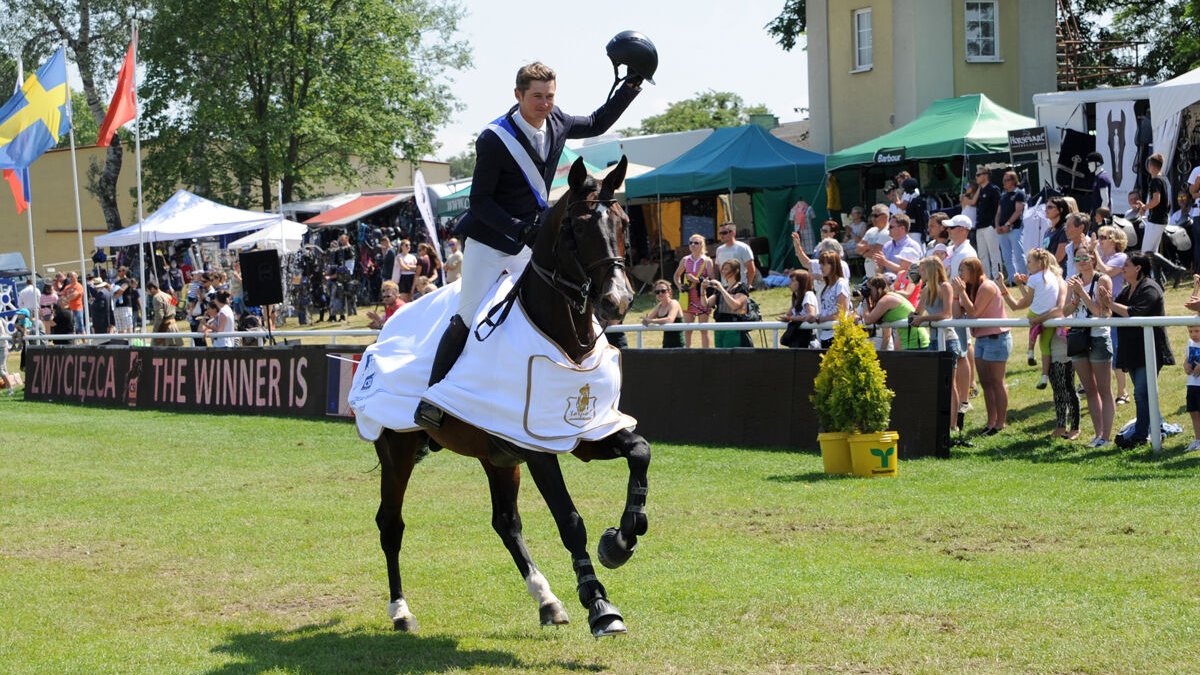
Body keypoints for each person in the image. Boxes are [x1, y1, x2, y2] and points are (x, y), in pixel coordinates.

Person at [415, 58, 646, 432]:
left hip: (532, 239)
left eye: (550, 96)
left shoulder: (557, 122)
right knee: (468, 315)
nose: (545, 104)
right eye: (537, 97)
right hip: (491, 240)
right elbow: (480, 202)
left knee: (560, 301)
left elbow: (598, 122)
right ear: (518, 95)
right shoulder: (494, 138)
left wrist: (630, 86)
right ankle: (433, 399)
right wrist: (517, 231)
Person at [1100, 252, 1175, 447]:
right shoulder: (1126, 291)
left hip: (1149, 351)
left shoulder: (1150, 288)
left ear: (1138, 268)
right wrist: (1105, 303)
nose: (1122, 269)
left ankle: (1141, 435)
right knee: (1142, 393)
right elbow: (1114, 314)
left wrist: (1111, 304)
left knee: (1142, 393)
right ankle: (1152, 428)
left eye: (1126, 265)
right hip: (1132, 351)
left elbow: (1135, 313)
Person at [910, 256, 968, 439]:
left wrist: (923, 319)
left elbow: (947, 314)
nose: (920, 273)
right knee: (937, 384)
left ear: (931, 270)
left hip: (948, 339)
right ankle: (939, 422)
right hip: (934, 340)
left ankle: (952, 425)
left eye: (922, 270)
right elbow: (917, 311)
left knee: (949, 384)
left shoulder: (945, 286)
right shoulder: (926, 289)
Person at [952, 257, 1010, 435]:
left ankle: (1000, 422)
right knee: (986, 383)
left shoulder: (987, 287)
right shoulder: (970, 289)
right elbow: (956, 315)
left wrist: (961, 293)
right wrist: (956, 294)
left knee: (996, 382)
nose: (960, 274)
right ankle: (991, 422)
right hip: (982, 339)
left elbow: (974, 313)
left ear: (973, 270)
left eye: (963, 270)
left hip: (997, 337)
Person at [1065, 244, 1115, 447]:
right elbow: (1065, 310)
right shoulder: (1074, 281)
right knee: (1090, 389)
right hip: (1078, 336)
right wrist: (1075, 297)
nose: (1082, 262)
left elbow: (1102, 313)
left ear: (1094, 259)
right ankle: (1098, 434)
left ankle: (1106, 437)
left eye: (1085, 257)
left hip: (1097, 337)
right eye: (1078, 258)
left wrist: (1082, 294)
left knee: (1104, 389)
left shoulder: (1102, 279)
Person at [1000, 248, 1064, 391]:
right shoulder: (1053, 277)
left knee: (1032, 321)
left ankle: (1030, 351)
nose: (1027, 265)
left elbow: (1027, 301)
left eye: (1029, 262)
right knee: (1045, 346)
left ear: (1039, 263)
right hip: (1050, 317)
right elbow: (1031, 298)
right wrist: (1023, 285)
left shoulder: (1034, 278)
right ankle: (1044, 376)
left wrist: (1018, 285)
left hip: (1036, 315)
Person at [1095, 224, 1131, 405]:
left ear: (1115, 240)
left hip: (1114, 309)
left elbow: (1107, 271)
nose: (1099, 240)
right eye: (1099, 237)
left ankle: (1122, 392)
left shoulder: (1120, 257)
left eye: (1103, 237)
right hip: (1098, 308)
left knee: (1116, 349)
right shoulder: (1101, 256)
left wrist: (1094, 253)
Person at [859, 275, 929, 351]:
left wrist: (865, 300)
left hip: (914, 341)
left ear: (879, 289)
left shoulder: (886, 300)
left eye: (870, 290)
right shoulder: (888, 297)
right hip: (907, 341)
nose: (868, 292)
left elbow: (868, 320)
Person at [673, 234, 715, 348]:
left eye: (696, 243)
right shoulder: (685, 260)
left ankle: (706, 354)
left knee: (704, 330)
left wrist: (697, 280)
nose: (692, 245)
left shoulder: (707, 261)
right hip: (687, 298)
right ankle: (688, 353)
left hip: (702, 298)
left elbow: (712, 280)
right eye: (690, 242)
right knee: (687, 329)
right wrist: (679, 286)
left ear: (702, 245)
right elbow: (676, 275)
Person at [704, 260, 752, 348]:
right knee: (720, 357)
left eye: (726, 269)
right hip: (719, 328)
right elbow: (706, 304)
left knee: (731, 357)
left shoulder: (741, 287)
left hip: (733, 328)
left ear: (736, 271)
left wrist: (721, 289)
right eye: (722, 269)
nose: (723, 271)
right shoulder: (722, 287)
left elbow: (735, 306)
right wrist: (702, 289)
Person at [971, 167, 1003, 279]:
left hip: (990, 226)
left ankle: (998, 278)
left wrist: (996, 224)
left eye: (978, 175)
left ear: (985, 175)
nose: (976, 177)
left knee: (994, 254)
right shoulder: (980, 190)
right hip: (980, 226)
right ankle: (987, 278)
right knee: (982, 255)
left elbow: (999, 207)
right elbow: (973, 203)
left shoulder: (993, 189)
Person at [814, 250, 851, 349]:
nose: (820, 267)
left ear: (833, 265)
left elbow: (841, 314)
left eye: (824, 264)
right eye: (820, 264)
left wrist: (821, 319)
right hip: (825, 335)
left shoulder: (841, 284)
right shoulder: (826, 286)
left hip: (837, 336)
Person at [1135, 153, 1170, 254]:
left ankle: (1148, 270)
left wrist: (1145, 207)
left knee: (1146, 252)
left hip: (1156, 220)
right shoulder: (1163, 180)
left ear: (1150, 165)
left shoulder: (1155, 181)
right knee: (1153, 253)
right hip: (1161, 220)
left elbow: (1156, 200)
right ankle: (1154, 270)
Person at [996, 171, 1028, 279]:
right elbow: (998, 212)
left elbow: (1018, 211)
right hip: (1002, 230)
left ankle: (1023, 277)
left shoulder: (1019, 193)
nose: (1004, 182)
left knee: (1019, 254)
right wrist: (997, 225)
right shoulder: (1003, 195)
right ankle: (1012, 279)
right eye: (1003, 180)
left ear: (1014, 181)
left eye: (1007, 180)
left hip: (1015, 228)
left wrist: (1007, 224)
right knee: (1006, 256)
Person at [779, 269, 817, 349]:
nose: (789, 283)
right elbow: (789, 314)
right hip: (798, 339)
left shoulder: (808, 295)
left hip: (807, 340)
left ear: (802, 283)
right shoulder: (796, 298)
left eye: (793, 281)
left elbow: (811, 315)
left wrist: (791, 318)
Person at [641, 280, 683, 348]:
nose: (660, 293)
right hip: (666, 344)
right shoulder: (659, 306)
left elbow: (670, 320)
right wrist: (646, 320)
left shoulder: (674, 303)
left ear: (669, 292)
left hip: (678, 343)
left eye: (663, 291)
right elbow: (646, 321)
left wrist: (651, 321)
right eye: (657, 292)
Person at [715, 222, 757, 287]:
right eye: (720, 233)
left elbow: (751, 269)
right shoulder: (719, 250)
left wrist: (747, 286)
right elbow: (721, 269)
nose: (721, 235)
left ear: (733, 233)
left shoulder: (743, 247)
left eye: (724, 233)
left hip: (740, 286)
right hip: (725, 287)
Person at [146, 279, 181, 347]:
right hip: (173, 326)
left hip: (164, 328)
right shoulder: (168, 295)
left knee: (157, 352)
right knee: (174, 352)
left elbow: (159, 316)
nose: (149, 293)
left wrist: (155, 331)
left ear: (152, 288)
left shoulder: (156, 297)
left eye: (148, 290)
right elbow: (176, 306)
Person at [1183, 323, 1200, 452]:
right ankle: (1198, 439)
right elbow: (1187, 359)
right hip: (1192, 384)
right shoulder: (1190, 343)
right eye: (1191, 331)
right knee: (1194, 412)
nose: (1193, 334)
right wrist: (1186, 366)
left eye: (1197, 331)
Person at [112, 266, 135, 334]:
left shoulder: (127, 280)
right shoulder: (116, 282)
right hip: (117, 306)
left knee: (128, 326)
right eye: (118, 271)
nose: (118, 272)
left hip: (125, 306)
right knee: (119, 328)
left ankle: (130, 343)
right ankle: (122, 343)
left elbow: (122, 290)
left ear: (124, 271)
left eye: (119, 271)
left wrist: (115, 294)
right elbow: (114, 292)